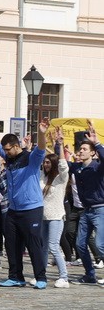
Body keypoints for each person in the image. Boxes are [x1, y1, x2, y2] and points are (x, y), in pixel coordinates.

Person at [0, 112, 49, 288]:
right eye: (5, 150)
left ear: (17, 146)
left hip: (31, 208)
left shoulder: (31, 158)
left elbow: (41, 148)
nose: (5, 153)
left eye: (8, 149)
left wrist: (42, 133)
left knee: (34, 244)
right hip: (13, 210)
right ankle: (16, 277)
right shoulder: (9, 157)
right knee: (12, 244)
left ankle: (41, 278)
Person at [67, 119, 104, 285]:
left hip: (100, 209)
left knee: (100, 245)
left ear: (92, 153)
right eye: (80, 149)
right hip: (86, 210)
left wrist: (97, 143)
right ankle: (90, 275)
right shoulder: (77, 168)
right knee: (80, 244)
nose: (80, 151)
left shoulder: (98, 167)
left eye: (84, 149)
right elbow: (62, 164)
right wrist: (58, 144)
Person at [40, 127, 70, 288]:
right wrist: (42, 141)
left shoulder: (60, 178)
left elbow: (64, 166)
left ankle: (64, 277)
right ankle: (41, 275)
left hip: (56, 217)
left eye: (48, 162)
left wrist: (60, 144)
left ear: (53, 163)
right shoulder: (42, 177)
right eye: (44, 162)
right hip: (43, 217)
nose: (45, 164)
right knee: (43, 247)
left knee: (53, 246)